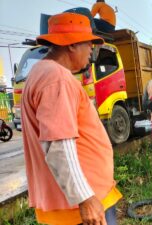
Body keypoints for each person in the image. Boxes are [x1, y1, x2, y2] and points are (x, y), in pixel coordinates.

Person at [21, 12, 122, 225]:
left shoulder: (41, 73)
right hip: (80, 206)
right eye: (88, 44)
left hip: (78, 200)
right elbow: (59, 146)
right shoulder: (57, 79)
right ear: (72, 45)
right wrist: (84, 198)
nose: (91, 51)